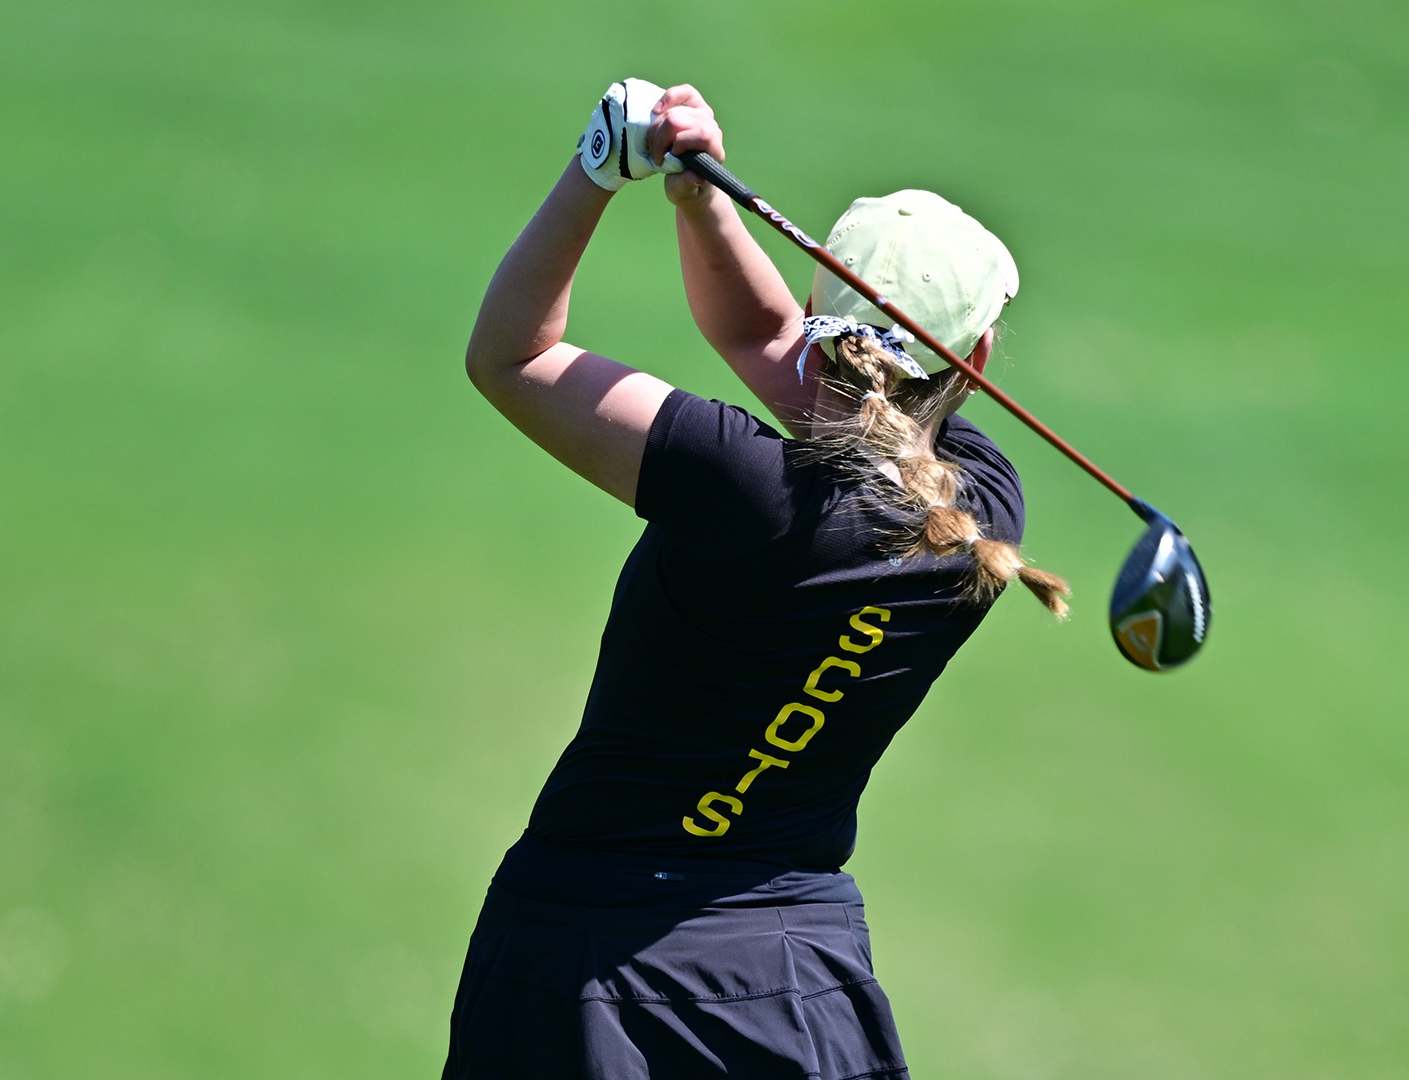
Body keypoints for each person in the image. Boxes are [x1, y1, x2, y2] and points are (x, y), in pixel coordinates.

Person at [446, 77, 1069, 1079]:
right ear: (980, 356)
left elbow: (511, 356)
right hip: (793, 976)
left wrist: (600, 170)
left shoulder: (736, 484)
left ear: (823, 301)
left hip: (583, 961)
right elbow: (773, 348)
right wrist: (701, 201)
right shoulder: (986, 514)